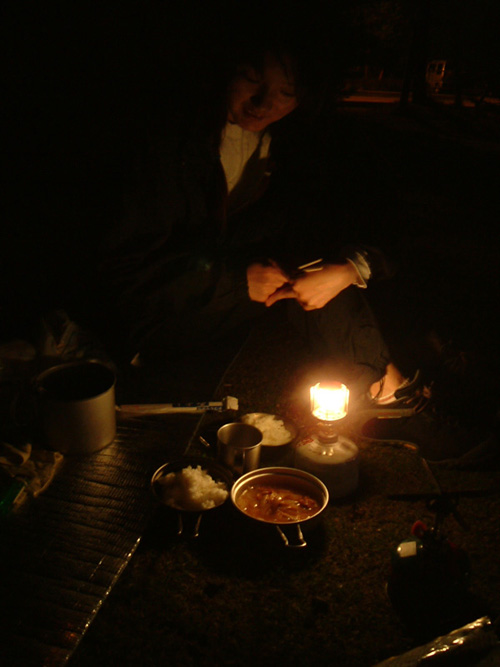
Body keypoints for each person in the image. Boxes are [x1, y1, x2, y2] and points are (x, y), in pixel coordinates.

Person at [83, 20, 495, 465]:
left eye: (287, 92)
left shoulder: (297, 140)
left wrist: (349, 268)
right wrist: (234, 281)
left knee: (329, 267)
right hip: (165, 319)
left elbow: (377, 215)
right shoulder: (167, 142)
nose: (265, 103)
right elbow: (124, 273)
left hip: (238, 299)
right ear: (223, 70)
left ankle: (386, 390)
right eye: (252, 81)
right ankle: (387, 396)